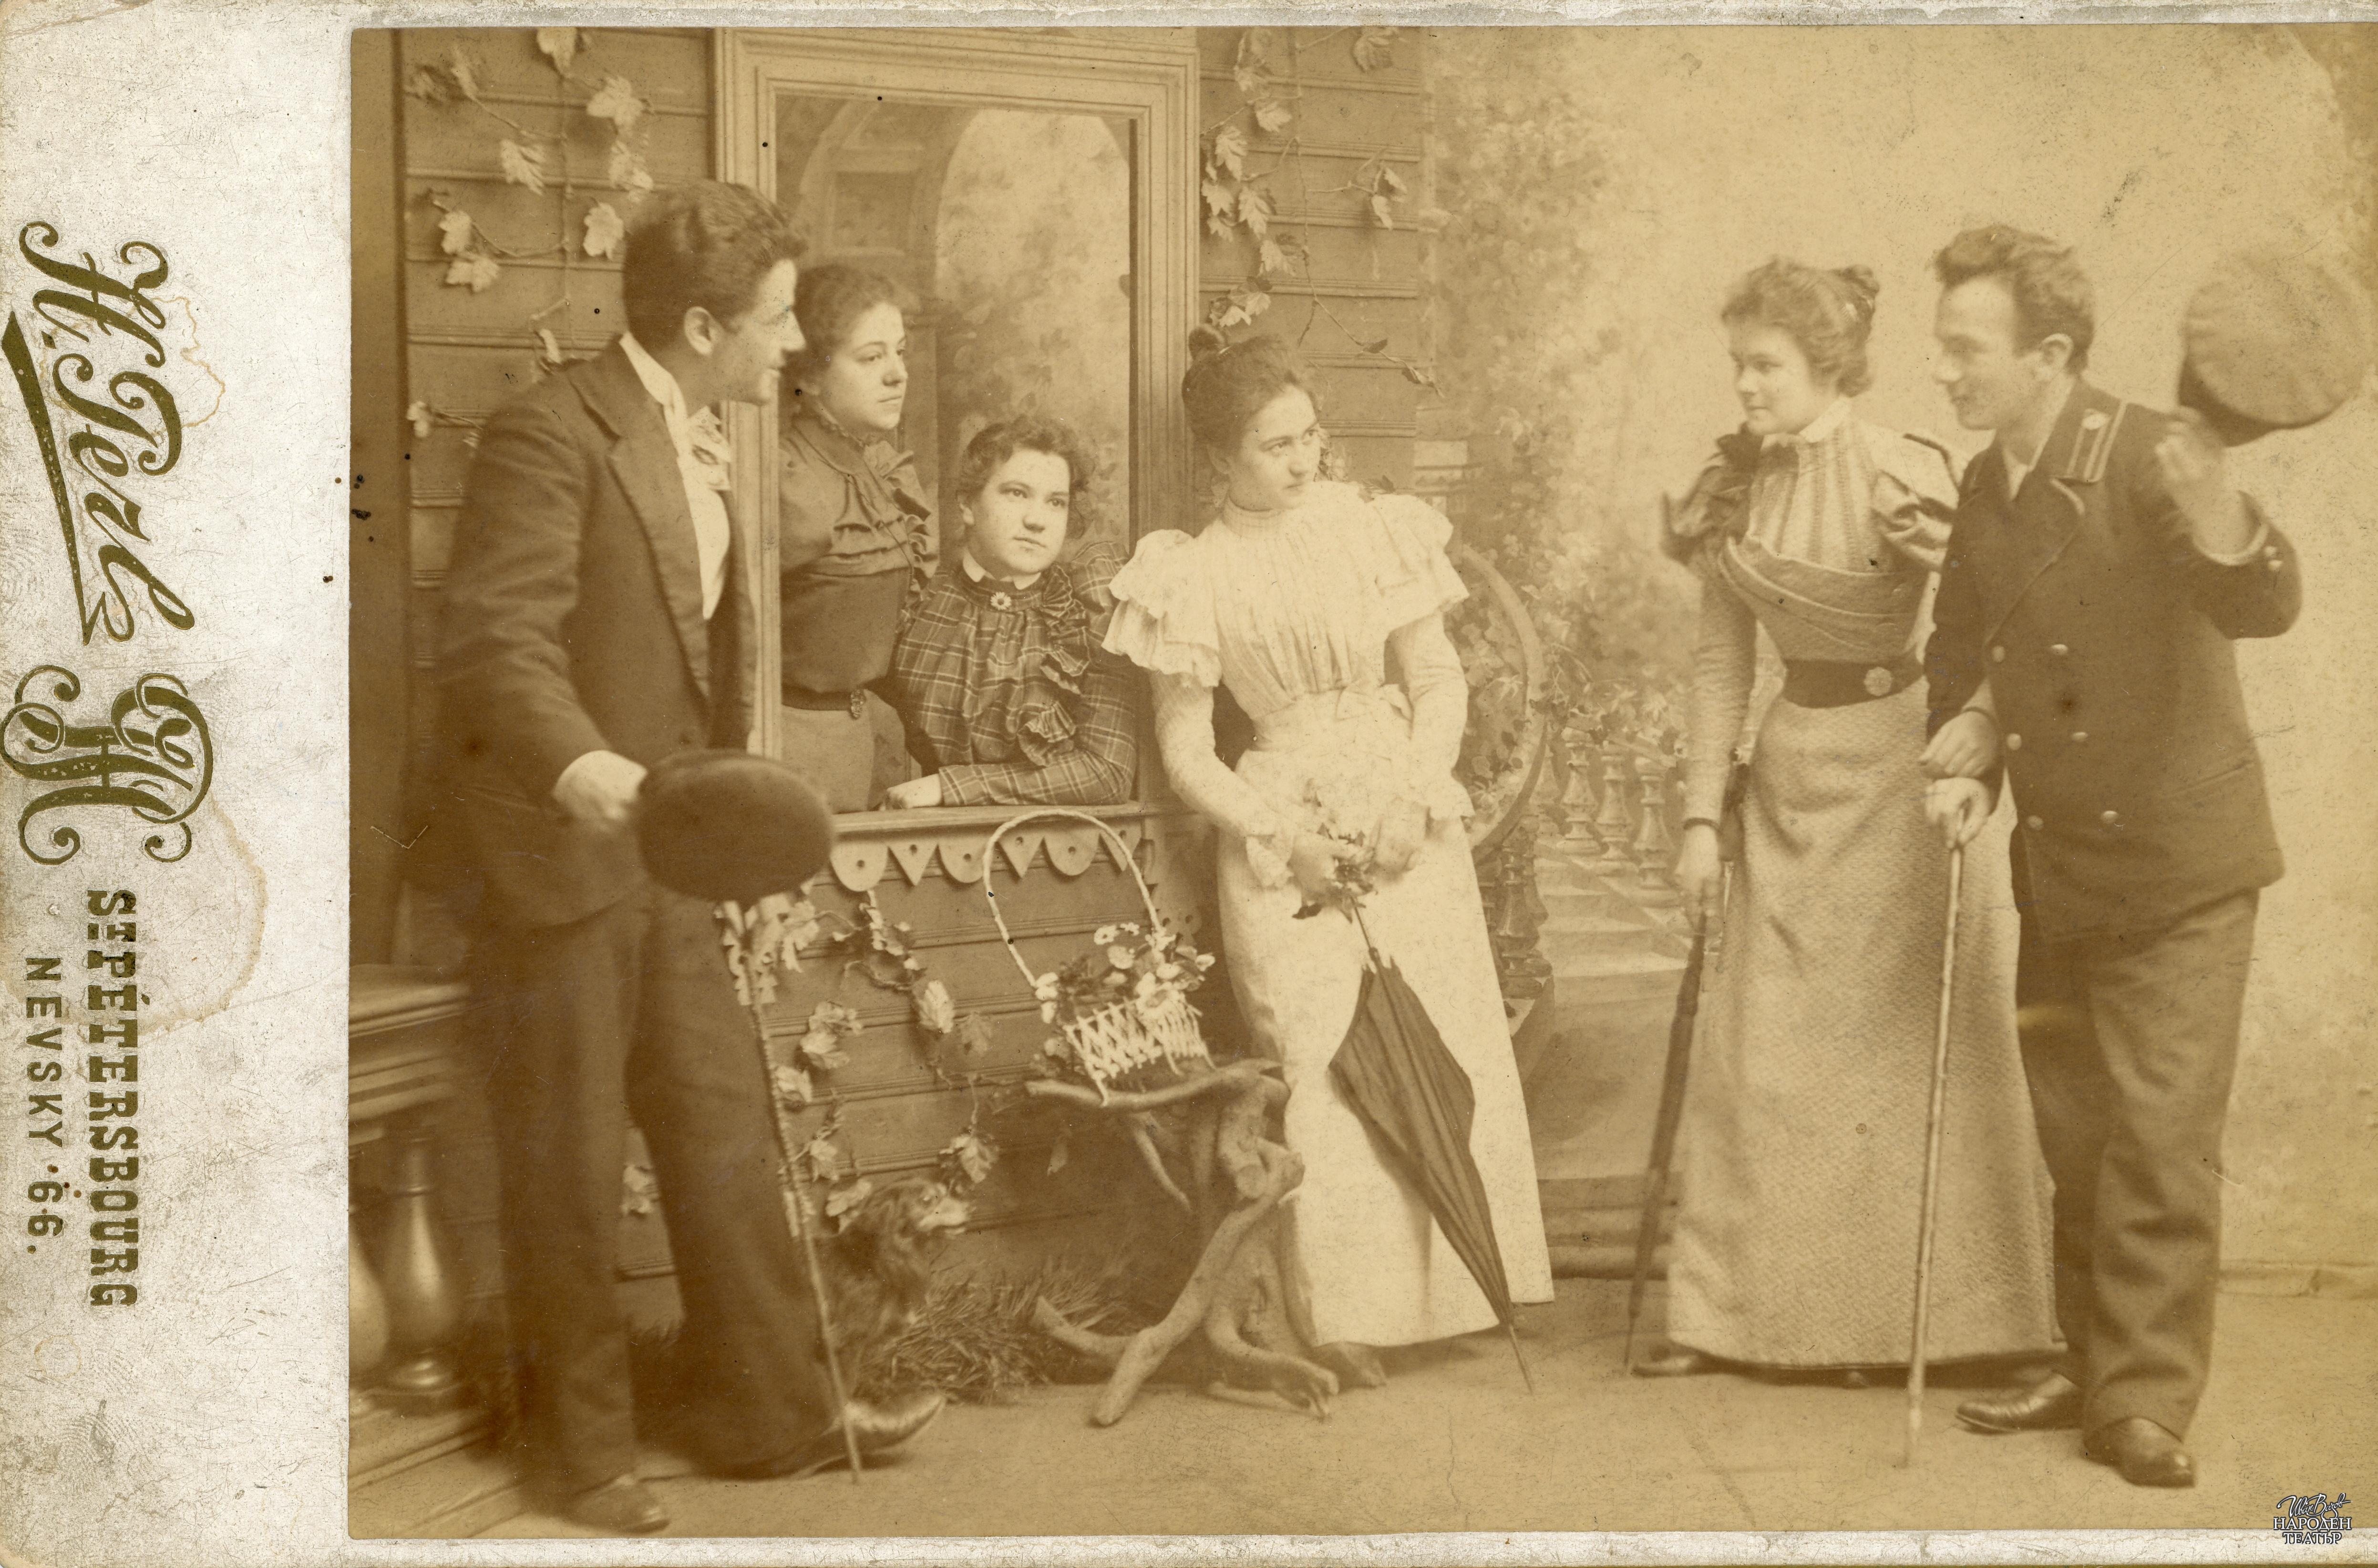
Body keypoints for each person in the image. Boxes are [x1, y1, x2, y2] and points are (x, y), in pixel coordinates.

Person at [436, 184, 941, 1534]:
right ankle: (578, 1451)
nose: (796, 342)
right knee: (568, 1159)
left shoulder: (709, 433)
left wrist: (731, 851)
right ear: (706, 326)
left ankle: (771, 1412)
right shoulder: (553, 432)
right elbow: (495, 641)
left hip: (668, 859)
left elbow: (707, 659)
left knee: (722, 1129)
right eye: (778, 320)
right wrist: (578, 767)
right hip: (559, 856)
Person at [1920, 225, 2301, 1488]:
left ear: (2049, 355)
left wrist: (2224, 514)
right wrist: (1967, 750)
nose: (1944, 371)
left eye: (1965, 349)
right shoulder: (1987, 484)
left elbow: (2260, 602)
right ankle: (2087, 1362)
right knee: (2077, 1131)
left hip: (2181, 870)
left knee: (2156, 1140)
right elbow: (1963, 640)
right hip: (2062, 865)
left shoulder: (2148, 454)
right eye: (1942, 347)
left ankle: (2142, 1402)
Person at [1101, 329, 1554, 1378]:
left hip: (1400, 811)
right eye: (1275, 445)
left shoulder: (1370, 528)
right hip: (1284, 833)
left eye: (1309, 436)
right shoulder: (1192, 570)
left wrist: (1414, 797)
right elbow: (1184, 748)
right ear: (1221, 456)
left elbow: (1436, 680)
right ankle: (1347, 1313)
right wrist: (1281, 837)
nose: (1303, 459)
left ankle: (1464, 1289)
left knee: (1445, 1038)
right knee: (1322, 1063)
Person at [1641, 259, 2056, 1382]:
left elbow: (1997, 615)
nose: (1744, 386)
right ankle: (1741, 1322)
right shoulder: (1730, 487)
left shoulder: (1900, 470)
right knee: (1768, 1053)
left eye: (1765, 366)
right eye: (1736, 365)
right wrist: (1698, 819)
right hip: (1790, 781)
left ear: (1827, 366)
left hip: (1905, 777)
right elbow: (1721, 662)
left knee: (1909, 1054)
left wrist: (1976, 737)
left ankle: (1959, 1326)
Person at [880, 416, 1137, 808]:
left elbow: (1108, 773)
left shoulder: (1090, 610)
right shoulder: (915, 600)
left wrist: (950, 787)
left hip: (1063, 838)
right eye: (1017, 493)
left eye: (1056, 502)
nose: (1037, 520)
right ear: (967, 504)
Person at [775, 263, 937, 810]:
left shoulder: (878, 471)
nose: (898, 374)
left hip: (858, 743)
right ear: (812, 375)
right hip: (782, 751)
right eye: (871, 358)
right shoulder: (784, 479)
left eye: (900, 353)